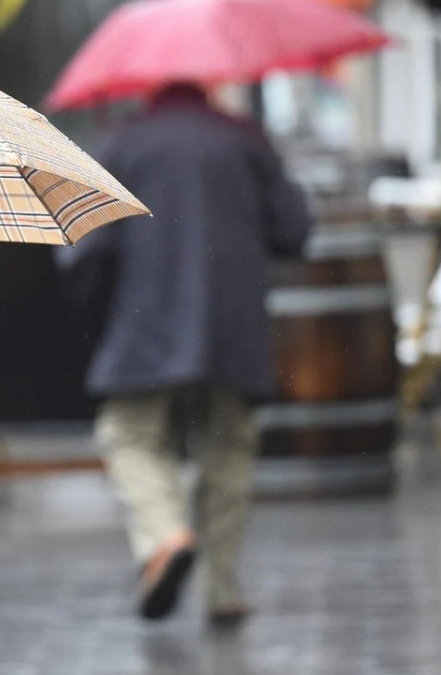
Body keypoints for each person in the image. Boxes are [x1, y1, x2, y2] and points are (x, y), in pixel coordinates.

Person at [57, 82, 312, 626]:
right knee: (228, 450)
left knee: (128, 435)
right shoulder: (246, 139)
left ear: (145, 86)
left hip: (147, 326)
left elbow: (82, 249)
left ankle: (166, 534)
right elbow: (294, 229)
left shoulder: (124, 144)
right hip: (232, 326)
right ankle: (223, 590)